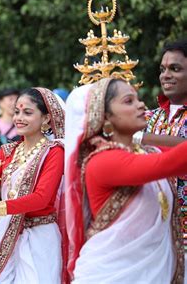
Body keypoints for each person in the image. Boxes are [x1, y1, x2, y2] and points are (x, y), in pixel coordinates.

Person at [65, 78, 187, 283]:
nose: (141, 104)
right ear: (105, 117)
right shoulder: (103, 161)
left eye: (138, 99)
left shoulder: (147, 153)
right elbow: (172, 162)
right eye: (128, 101)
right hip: (111, 274)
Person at [0, 87, 66, 283]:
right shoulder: (7, 151)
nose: (19, 117)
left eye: (28, 113)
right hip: (7, 231)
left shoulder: (54, 152)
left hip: (39, 237)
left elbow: (40, 198)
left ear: (46, 118)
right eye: (17, 112)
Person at [145, 38, 187, 250]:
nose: (165, 75)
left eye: (175, 69)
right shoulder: (149, 117)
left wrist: (141, 139)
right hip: (155, 231)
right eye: (162, 69)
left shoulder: (141, 128)